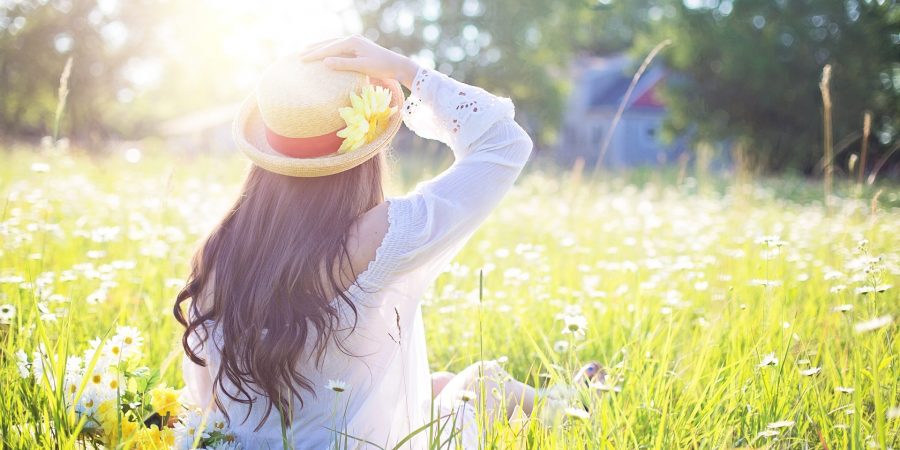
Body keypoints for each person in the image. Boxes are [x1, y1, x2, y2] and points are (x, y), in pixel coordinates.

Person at [174, 35, 600, 449]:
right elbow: (504, 143)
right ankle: (569, 406)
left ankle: (562, 402)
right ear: (363, 154)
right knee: (482, 384)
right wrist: (405, 69)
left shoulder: (219, 249)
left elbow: (206, 398)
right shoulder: (375, 237)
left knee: (439, 386)